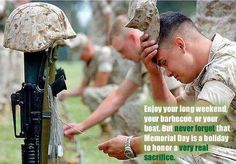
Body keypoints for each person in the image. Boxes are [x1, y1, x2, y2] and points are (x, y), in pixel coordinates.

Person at [98, 12, 236, 163]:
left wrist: (131, 145)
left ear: (180, 45)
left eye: (164, 63)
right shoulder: (206, 66)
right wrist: (155, 74)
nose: (168, 73)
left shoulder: (226, 65)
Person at [64, 15, 183, 163]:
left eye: (121, 51)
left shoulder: (159, 54)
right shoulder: (141, 62)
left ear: (133, 39)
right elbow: (117, 97)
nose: (123, 57)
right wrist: (82, 125)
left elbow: (179, 104)